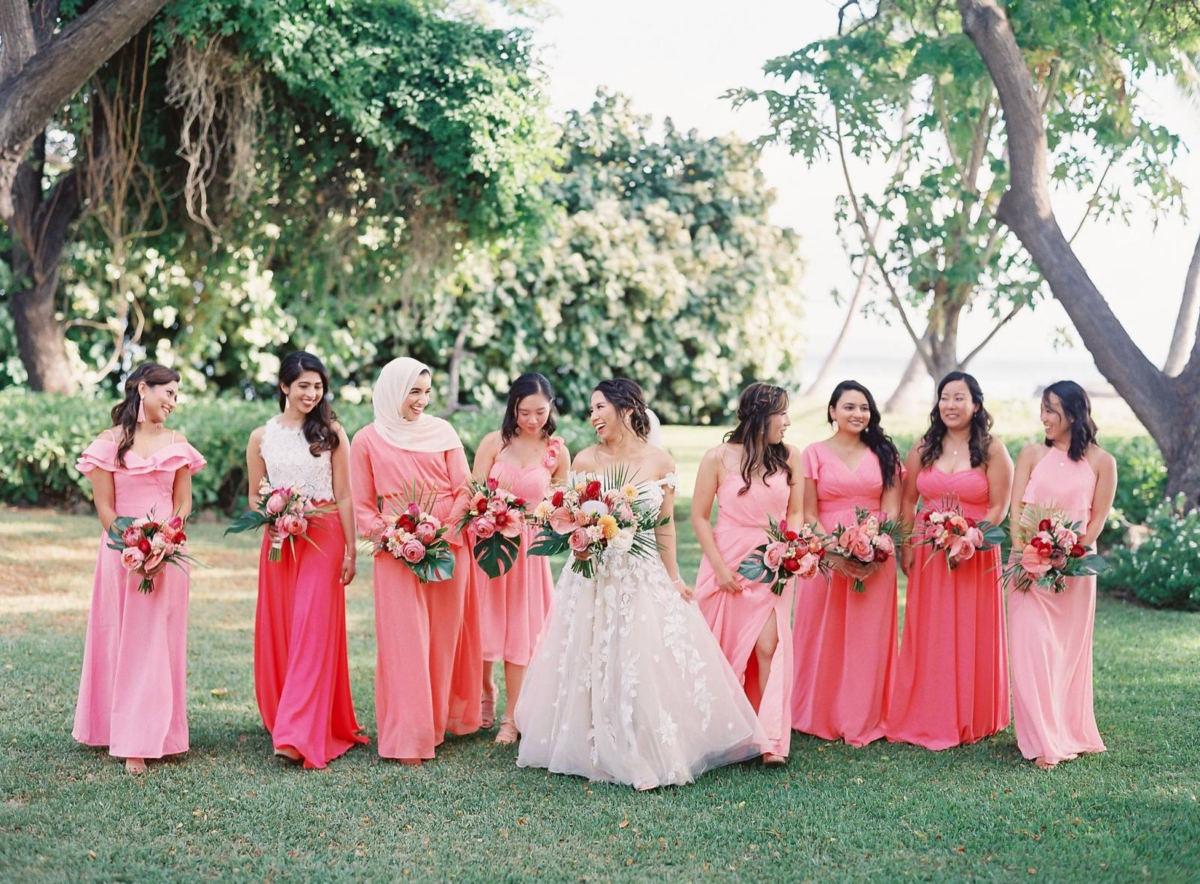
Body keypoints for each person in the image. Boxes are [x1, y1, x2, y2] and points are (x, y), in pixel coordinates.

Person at [516, 378, 767, 789]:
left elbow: (664, 526)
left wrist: (674, 578)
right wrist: (579, 544)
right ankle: (593, 739)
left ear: (627, 409)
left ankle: (642, 741)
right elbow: (571, 518)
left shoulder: (660, 462)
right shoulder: (584, 462)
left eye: (600, 408)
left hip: (642, 571)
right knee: (592, 653)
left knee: (640, 658)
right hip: (594, 576)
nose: (593, 416)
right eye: (591, 409)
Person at [74, 363, 206, 774]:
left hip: (169, 552)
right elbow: (106, 510)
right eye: (167, 393)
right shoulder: (107, 443)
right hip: (121, 553)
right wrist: (135, 542)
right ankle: (128, 737)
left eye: (176, 397)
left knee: (158, 643)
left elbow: (184, 502)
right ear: (143, 388)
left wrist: (165, 539)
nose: (172, 402)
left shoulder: (176, 442)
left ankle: (158, 734)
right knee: (122, 638)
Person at [350, 357, 481, 764]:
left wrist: (443, 531)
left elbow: (465, 488)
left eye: (426, 392)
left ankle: (435, 723)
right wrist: (395, 535)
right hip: (396, 551)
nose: (422, 400)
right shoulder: (366, 440)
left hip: (447, 546)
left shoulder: (443, 431)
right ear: (393, 391)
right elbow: (363, 509)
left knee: (441, 640)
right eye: (414, 392)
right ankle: (408, 738)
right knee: (404, 642)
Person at [245, 351, 367, 767]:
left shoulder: (332, 433)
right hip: (281, 539)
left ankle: (298, 733)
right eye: (303, 386)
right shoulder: (261, 437)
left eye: (317, 386)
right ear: (284, 387)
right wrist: (271, 519)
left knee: (312, 627)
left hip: (325, 534)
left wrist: (352, 549)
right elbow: (254, 494)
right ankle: (282, 711)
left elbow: (346, 494)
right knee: (283, 625)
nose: (312, 394)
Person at [887, 371, 1013, 750]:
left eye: (959, 398)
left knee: (969, 629)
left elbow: (999, 507)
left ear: (976, 404)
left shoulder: (993, 450)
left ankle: (970, 714)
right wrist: (906, 545)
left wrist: (972, 536)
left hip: (975, 553)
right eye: (944, 397)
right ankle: (928, 711)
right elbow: (909, 501)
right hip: (929, 552)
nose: (950, 405)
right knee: (931, 630)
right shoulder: (923, 447)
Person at [693, 382, 803, 766]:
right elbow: (699, 516)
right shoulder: (718, 458)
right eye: (781, 414)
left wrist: (791, 547)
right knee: (723, 649)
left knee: (769, 645)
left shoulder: (790, 456)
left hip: (773, 562)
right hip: (728, 560)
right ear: (760, 414)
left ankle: (770, 737)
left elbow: (799, 512)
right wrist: (720, 568)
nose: (787, 422)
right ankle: (726, 731)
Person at [1008, 381, 1116, 769]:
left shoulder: (1102, 462)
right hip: (1026, 569)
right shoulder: (1032, 454)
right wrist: (1025, 558)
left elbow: (1098, 518)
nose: (1044, 417)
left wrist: (1067, 556)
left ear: (1074, 412)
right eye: (1042, 408)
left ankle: (1069, 730)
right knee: (1031, 651)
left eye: (1051, 409)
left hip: (1075, 568)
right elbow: (1016, 510)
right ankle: (1042, 740)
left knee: (1067, 654)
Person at [791, 380, 902, 747]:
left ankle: (863, 716)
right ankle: (817, 712)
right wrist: (834, 553)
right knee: (821, 633)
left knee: (867, 638)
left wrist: (876, 547)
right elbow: (807, 511)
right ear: (832, 411)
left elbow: (892, 508)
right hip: (824, 557)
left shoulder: (885, 452)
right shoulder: (814, 454)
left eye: (864, 407)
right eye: (850, 407)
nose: (858, 414)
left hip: (877, 557)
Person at [472, 372, 570, 744]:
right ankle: (485, 690)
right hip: (490, 543)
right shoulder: (494, 443)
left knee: (520, 634)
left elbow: (563, 506)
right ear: (513, 407)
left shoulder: (556, 451)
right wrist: (487, 515)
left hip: (528, 552)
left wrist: (548, 520)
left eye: (540, 412)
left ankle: (512, 718)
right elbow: (473, 490)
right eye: (524, 412)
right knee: (484, 625)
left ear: (550, 409)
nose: (532, 420)